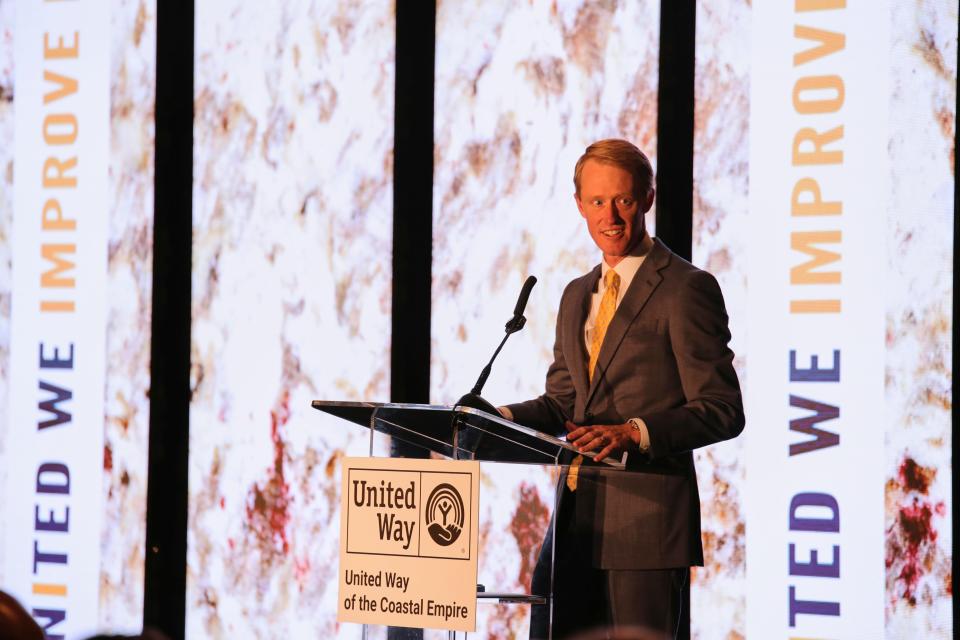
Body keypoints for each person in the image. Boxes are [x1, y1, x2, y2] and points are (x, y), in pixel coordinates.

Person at [499, 139, 744, 639]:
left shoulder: (686, 288)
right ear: (579, 205)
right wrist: (493, 417)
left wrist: (634, 433)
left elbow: (722, 409)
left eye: (624, 201)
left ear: (648, 198)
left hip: (647, 532)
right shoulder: (574, 295)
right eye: (596, 202)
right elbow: (564, 404)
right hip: (574, 528)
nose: (610, 216)